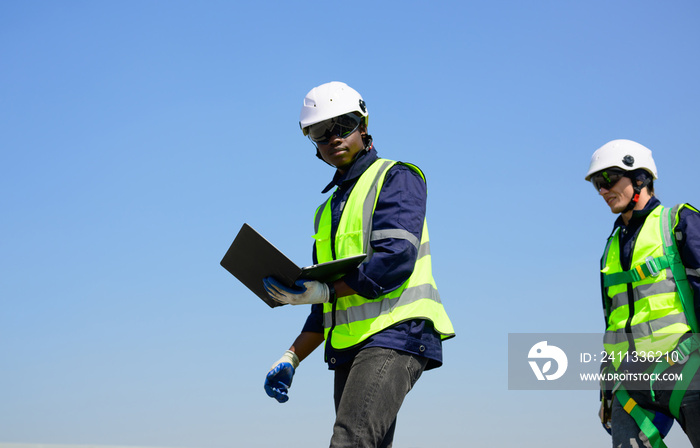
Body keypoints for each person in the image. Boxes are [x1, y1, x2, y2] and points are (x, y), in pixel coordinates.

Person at [261, 81, 455, 448]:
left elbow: (396, 257)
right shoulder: (325, 213)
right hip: (350, 348)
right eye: (320, 132)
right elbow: (326, 302)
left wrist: (327, 289)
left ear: (363, 126)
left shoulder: (396, 177)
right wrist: (292, 356)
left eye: (343, 124)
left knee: (350, 441)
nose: (333, 137)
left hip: (395, 335)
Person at [585, 139, 700, 448]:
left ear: (641, 178)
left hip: (687, 369)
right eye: (597, 183)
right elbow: (613, 324)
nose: (602, 189)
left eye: (608, 179)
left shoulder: (678, 222)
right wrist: (606, 390)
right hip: (631, 383)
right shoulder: (611, 248)